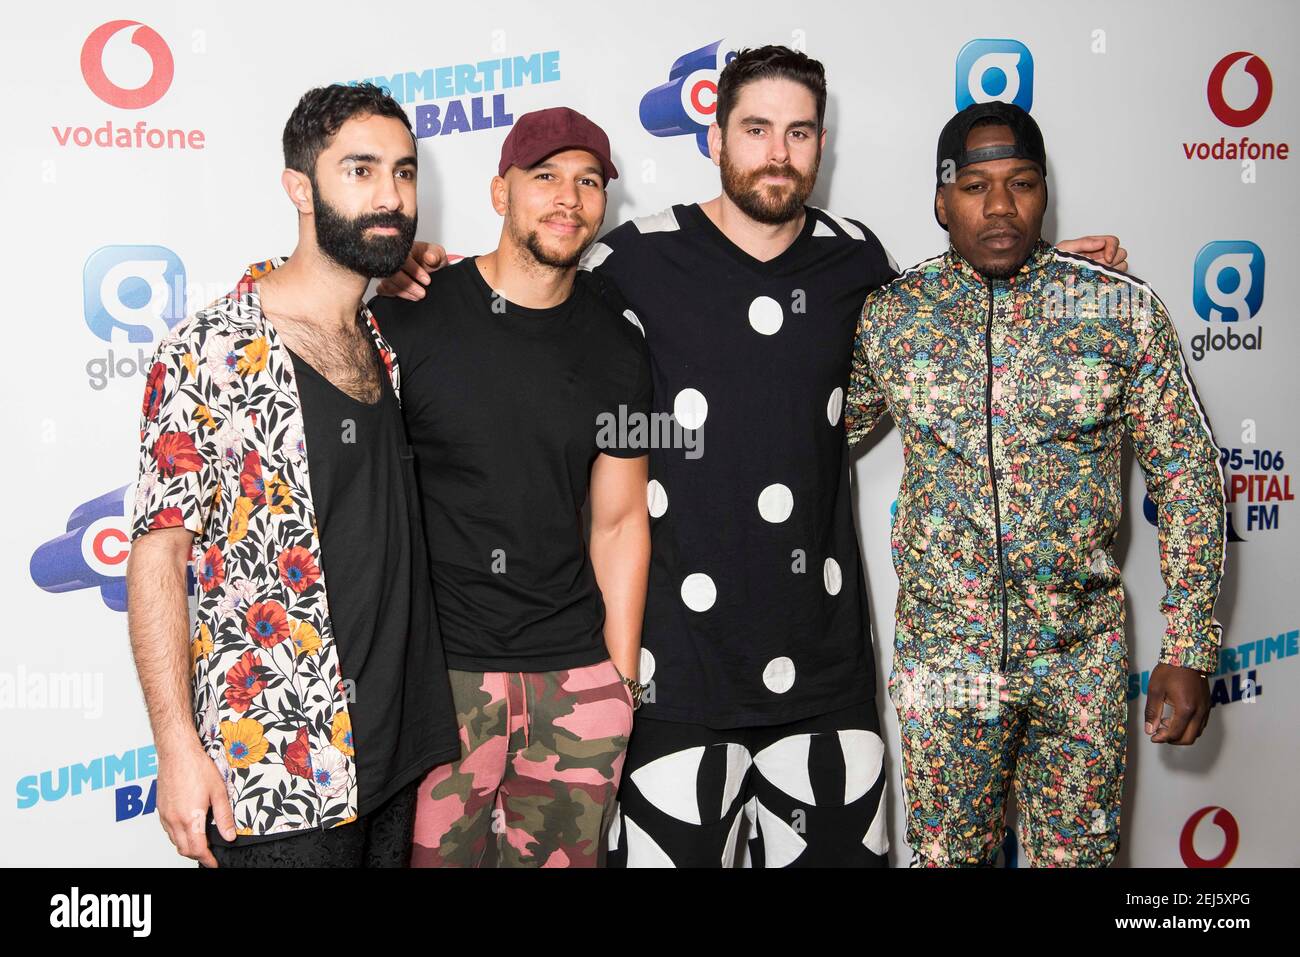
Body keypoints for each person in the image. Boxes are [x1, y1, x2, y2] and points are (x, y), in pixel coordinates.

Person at [381, 46, 1128, 867]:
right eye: (757, 129)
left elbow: (939, 316)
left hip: (824, 675)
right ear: (715, 139)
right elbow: (527, 287)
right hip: (674, 675)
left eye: (800, 132)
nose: (778, 152)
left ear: (821, 146)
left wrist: (1037, 278)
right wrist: (419, 271)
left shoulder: (857, 261)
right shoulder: (632, 258)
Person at [845, 102, 1226, 867]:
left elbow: (1187, 475)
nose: (999, 207)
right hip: (945, 659)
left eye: (1021, 183)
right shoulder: (892, 317)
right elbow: (815, 435)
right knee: (948, 859)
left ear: (1044, 193)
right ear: (940, 200)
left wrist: (1190, 645)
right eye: (975, 186)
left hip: (1080, 658)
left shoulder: (1120, 311)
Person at [126, 83, 460, 867]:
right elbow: (157, 558)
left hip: (391, 756)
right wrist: (176, 748)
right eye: (361, 170)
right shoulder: (209, 350)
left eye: (404, 173)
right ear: (300, 188)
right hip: (276, 774)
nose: (390, 196)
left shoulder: (380, 333)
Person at [368, 107, 651, 867]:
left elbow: (620, 520)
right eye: (546, 177)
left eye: (588, 181)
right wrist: (374, 269)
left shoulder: (619, 346)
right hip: (440, 682)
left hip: (575, 682)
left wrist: (617, 683)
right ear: (501, 193)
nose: (569, 196)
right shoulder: (407, 318)